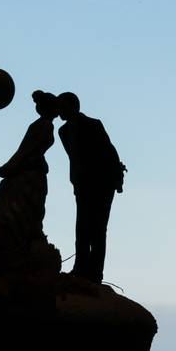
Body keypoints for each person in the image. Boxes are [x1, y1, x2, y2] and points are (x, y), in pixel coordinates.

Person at [56, 91, 126, 283]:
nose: (59, 110)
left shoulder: (93, 124)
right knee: (82, 229)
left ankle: (95, 274)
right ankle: (80, 269)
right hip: (82, 186)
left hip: (102, 184)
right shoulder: (63, 132)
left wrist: (116, 180)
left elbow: (109, 152)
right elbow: (74, 159)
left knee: (97, 229)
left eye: (62, 106)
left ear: (73, 106)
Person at [0, 90, 57, 249]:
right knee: (22, 206)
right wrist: (10, 166)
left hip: (30, 172)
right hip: (29, 172)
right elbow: (26, 150)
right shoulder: (43, 125)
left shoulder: (43, 125)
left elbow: (25, 150)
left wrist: (9, 166)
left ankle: (22, 239)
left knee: (25, 206)